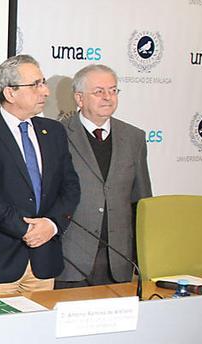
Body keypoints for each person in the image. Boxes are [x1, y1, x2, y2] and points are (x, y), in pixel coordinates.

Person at [0, 54, 80, 297]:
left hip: (44, 259)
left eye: (43, 82)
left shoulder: (53, 132)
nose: (45, 91)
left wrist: (52, 225)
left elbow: (70, 186)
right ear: (10, 93)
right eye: (36, 84)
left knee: (38, 334)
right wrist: (25, 230)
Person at [57, 64, 152, 288]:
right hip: (70, 259)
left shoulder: (134, 137)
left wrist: (143, 258)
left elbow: (141, 199)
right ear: (79, 98)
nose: (108, 97)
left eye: (113, 90)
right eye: (99, 91)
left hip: (118, 259)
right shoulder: (56, 134)